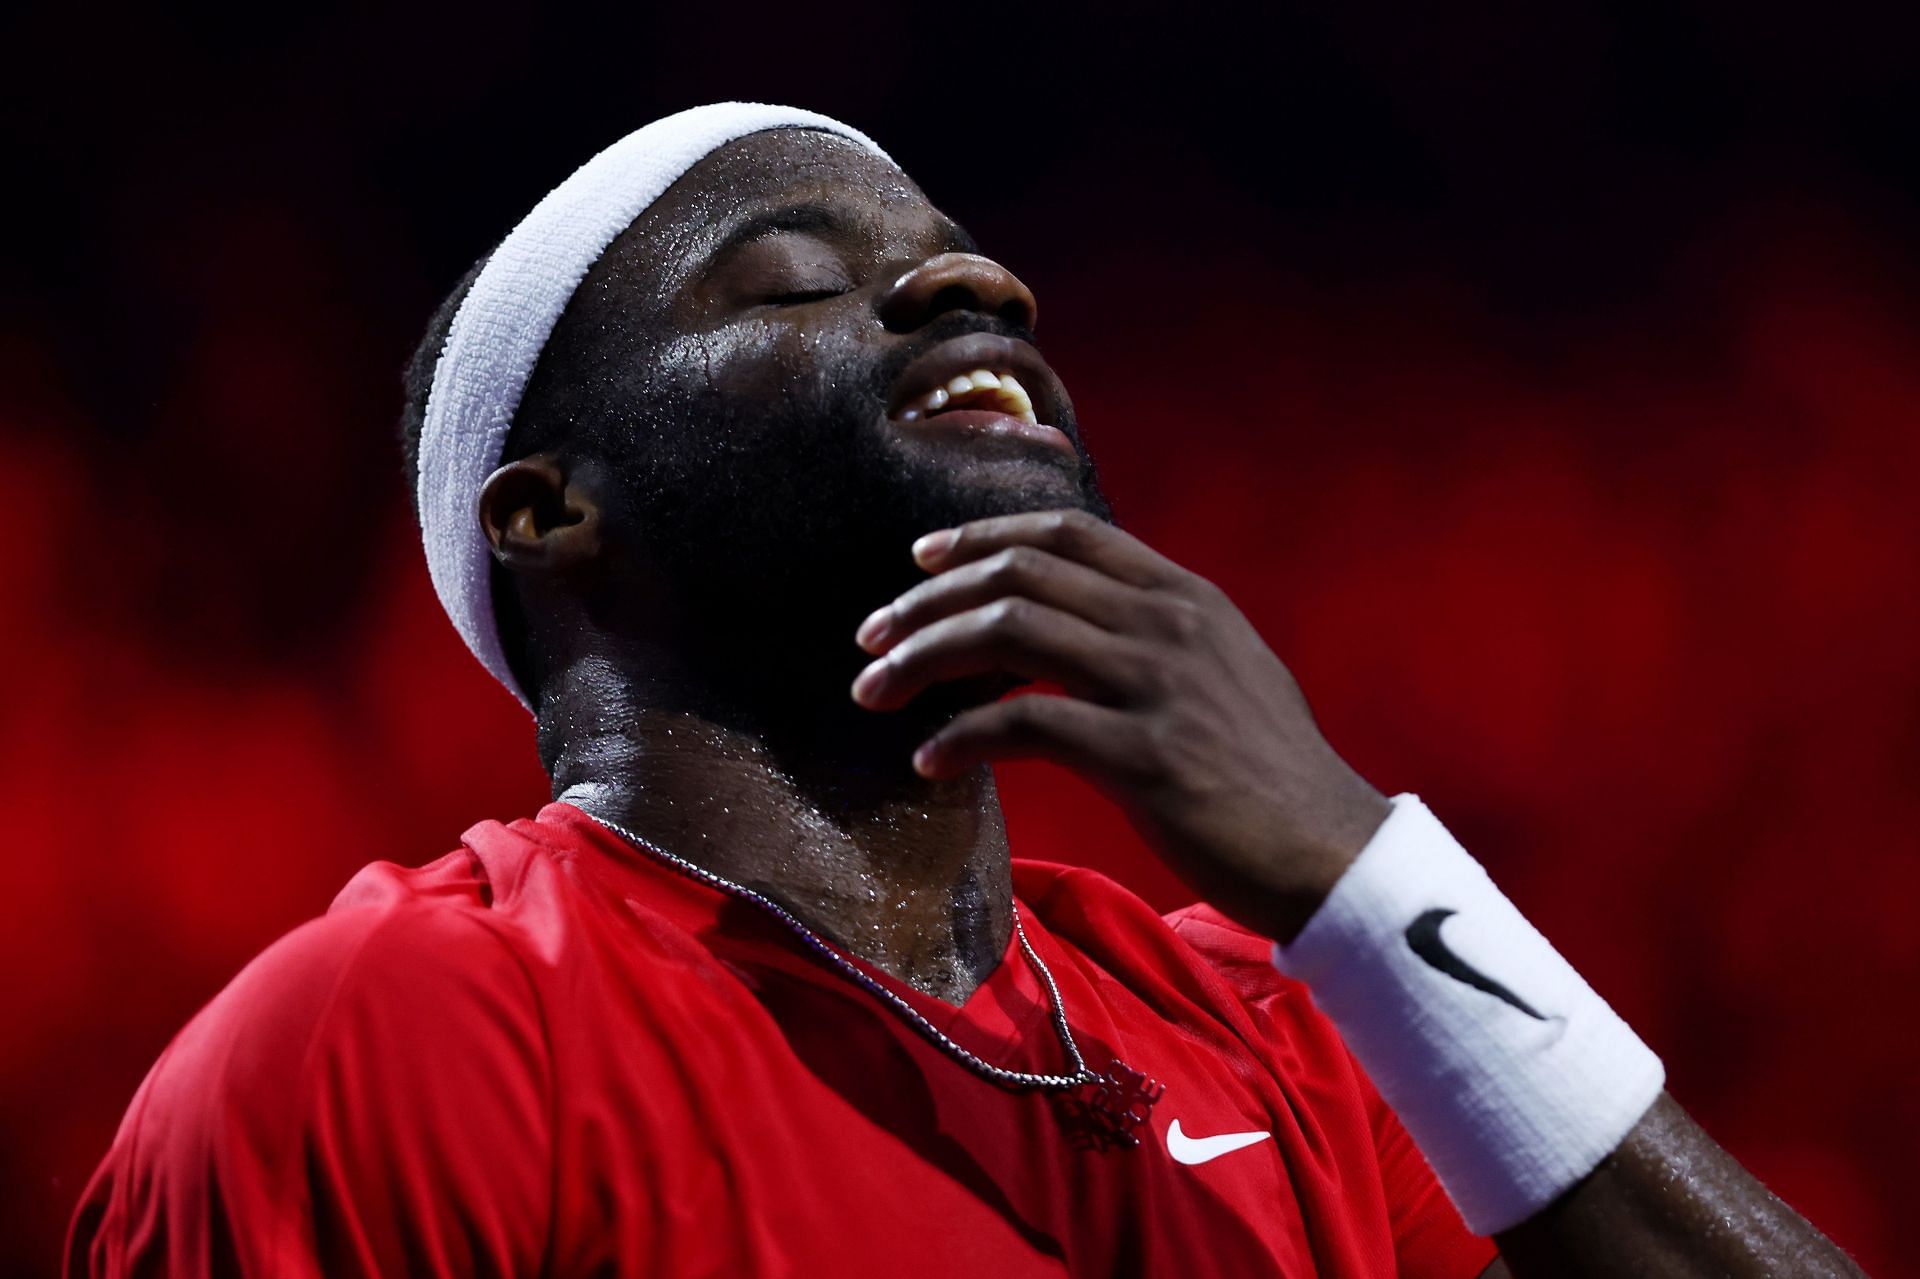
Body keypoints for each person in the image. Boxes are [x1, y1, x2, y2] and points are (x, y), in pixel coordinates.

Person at [67, 103, 1862, 1277]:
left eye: (956, 254)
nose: (972, 282)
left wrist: (1362, 878)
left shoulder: (1281, 1027)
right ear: (550, 513)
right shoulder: (405, 1032)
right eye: (794, 281)